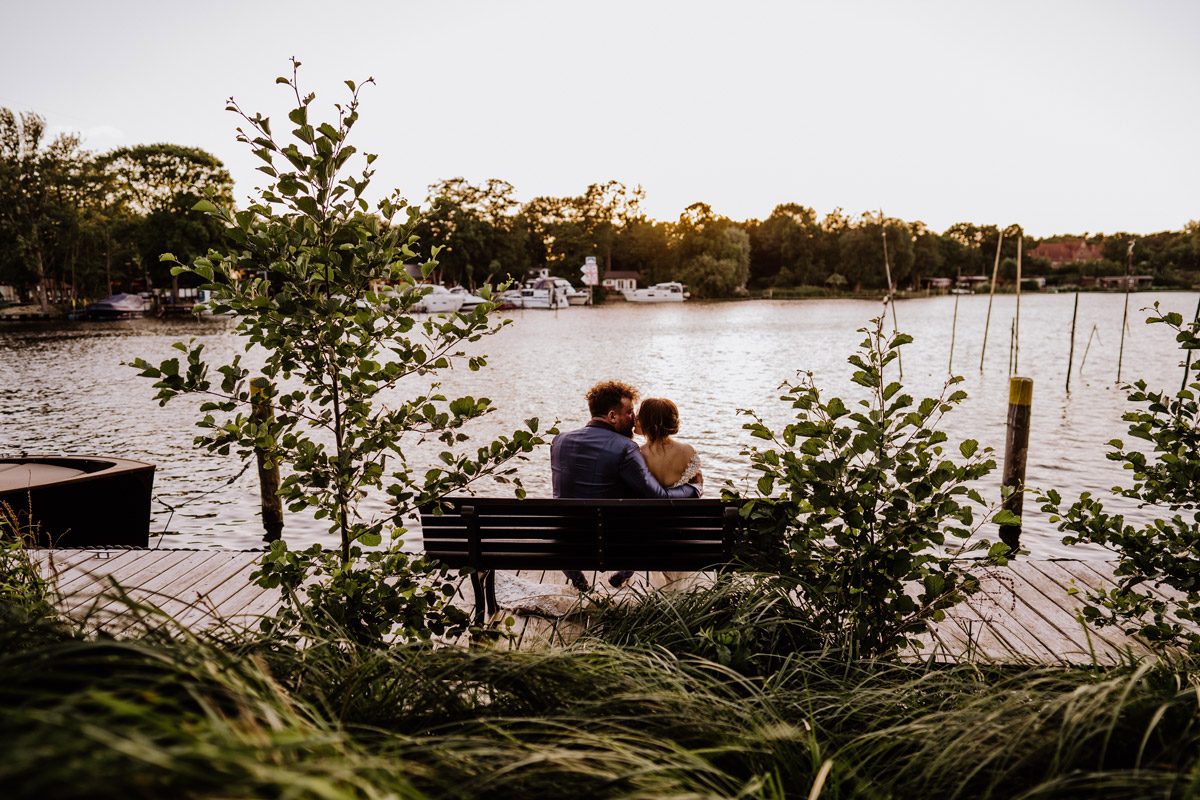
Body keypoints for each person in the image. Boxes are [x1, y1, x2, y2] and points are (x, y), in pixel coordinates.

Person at [551, 380, 702, 591]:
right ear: (612, 416)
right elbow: (657, 497)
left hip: (566, 542)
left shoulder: (559, 441)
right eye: (630, 412)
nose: (634, 419)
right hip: (613, 545)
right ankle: (624, 573)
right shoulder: (626, 448)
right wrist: (693, 489)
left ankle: (577, 580)